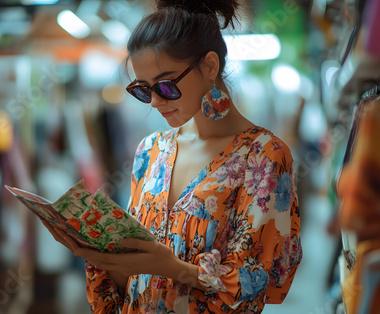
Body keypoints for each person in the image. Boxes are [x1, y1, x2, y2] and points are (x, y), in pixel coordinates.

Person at [42, 0, 303, 312]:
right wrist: (99, 254)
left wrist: (173, 268)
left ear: (209, 66)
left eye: (166, 86)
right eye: (143, 90)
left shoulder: (263, 157)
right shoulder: (150, 152)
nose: (154, 102)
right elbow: (132, 285)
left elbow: (254, 285)